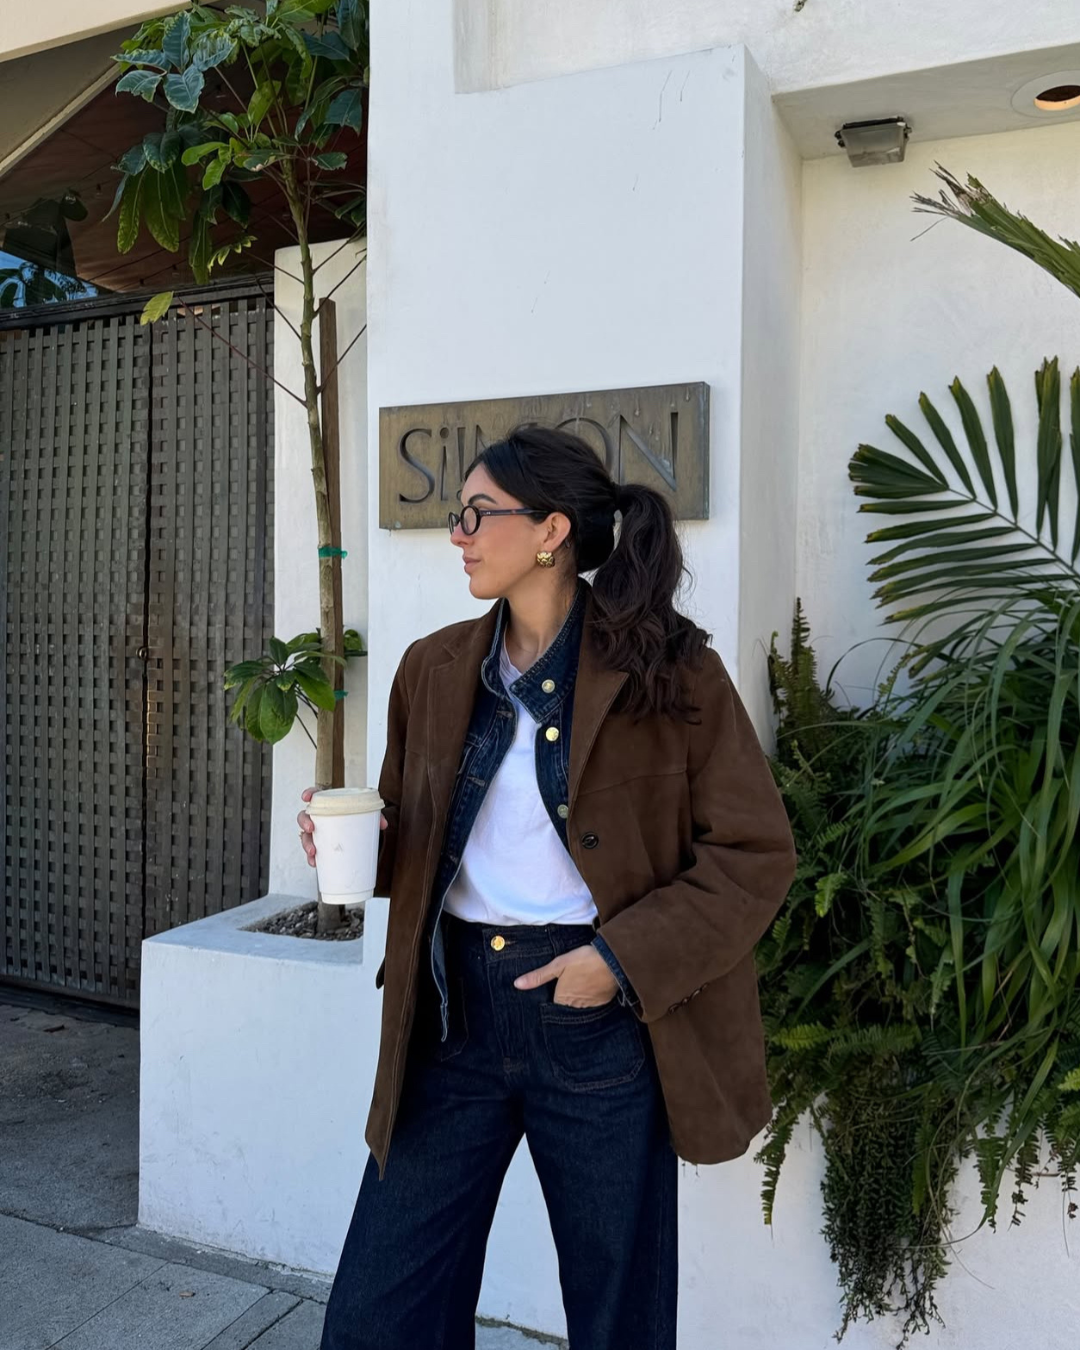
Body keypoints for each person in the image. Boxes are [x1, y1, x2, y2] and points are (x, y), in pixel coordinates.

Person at [298, 425, 796, 1350]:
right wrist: (354, 845)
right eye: (458, 516)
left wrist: (616, 961)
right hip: (450, 1017)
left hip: (597, 1018)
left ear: (552, 531)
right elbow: (423, 837)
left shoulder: (670, 669)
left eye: (479, 514)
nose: (459, 534)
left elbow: (754, 853)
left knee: (617, 1315)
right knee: (380, 1312)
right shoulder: (434, 667)